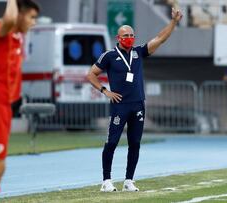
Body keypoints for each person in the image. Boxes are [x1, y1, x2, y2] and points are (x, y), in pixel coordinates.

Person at [87, 8, 182, 192]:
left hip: (138, 104)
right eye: (125, 35)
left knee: (135, 143)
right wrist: (105, 91)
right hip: (119, 105)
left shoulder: (138, 52)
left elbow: (160, 38)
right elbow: (91, 74)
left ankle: (129, 180)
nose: (129, 38)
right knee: (112, 142)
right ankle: (106, 181)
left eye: (131, 35)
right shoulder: (109, 56)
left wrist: (173, 22)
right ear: (118, 38)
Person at [0, 0, 39, 202]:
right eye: (31, 17)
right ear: (20, 14)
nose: (34, 23)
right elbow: (10, 19)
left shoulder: (17, 39)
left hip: (3, 107)